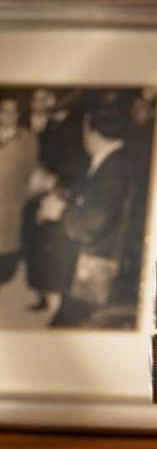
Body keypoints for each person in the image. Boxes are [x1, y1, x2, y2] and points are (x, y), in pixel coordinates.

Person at [47, 92, 134, 327]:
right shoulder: (113, 159)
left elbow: (91, 225)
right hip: (96, 261)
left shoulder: (114, 168)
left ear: (92, 130)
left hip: (98, 266)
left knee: (68, 326)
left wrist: (59, 211)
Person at [22, 89, 87, 311]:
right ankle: (42, 293)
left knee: (55, 246)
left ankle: (56, 297)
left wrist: (55, 184)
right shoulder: (38, 124)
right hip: (34, 192)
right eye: (36, 97)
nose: (39, 102)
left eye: (45, 97)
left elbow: (77, 163)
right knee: (36, 245)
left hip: (58, 193)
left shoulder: (71, 126)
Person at [0, 97, 38, 287]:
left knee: (6, 255)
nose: (8, 115)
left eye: (13, 111)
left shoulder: (28, 140)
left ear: (19, 114)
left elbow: (31, 173)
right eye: (4, 111)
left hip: (11, 206)